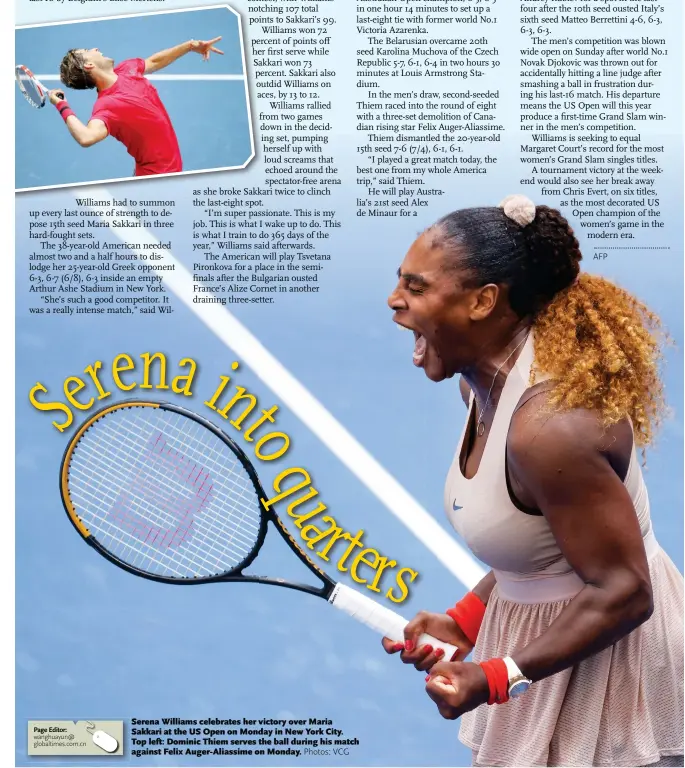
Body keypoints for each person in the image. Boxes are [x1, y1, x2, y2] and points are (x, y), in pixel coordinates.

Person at [384, 196, 684, 767]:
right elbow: (541, 546)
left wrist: (499, 677)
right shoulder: (480, 385)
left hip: (618, 677)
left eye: (417, 288)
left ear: (484, 301)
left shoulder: (547, 433)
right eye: (400, 282)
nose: (395, 301)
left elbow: (624, 591)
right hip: (559, 648)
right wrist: (466, 619)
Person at [48, 38, 223, 176]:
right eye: (87, 52)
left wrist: (190, 46)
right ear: (89, 65)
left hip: (166, 171)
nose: (94, 49)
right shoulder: (106, 106)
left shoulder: (127, 68)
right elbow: (86, 137)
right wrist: (62, 105)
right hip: (157, 179)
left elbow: (154, 61)